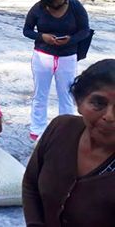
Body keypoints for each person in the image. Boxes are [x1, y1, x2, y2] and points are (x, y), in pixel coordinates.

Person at [23, 59, 115, 226]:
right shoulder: (60, 128)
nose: (109, 117)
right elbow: (31, 184)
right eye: (98, 103)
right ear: (79, 102)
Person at [23, 0, 91, 141]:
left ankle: (66, 129)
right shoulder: (38, 8)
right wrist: (42, 36)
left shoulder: (75, 7)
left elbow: (85, 30)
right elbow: (27, 30)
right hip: (43, 55)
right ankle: (37, 128)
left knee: (66, 94)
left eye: (60, 4)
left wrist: (71, 39)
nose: (57, 7)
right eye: (53, 5)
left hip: (67, 56)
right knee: (40, 93)